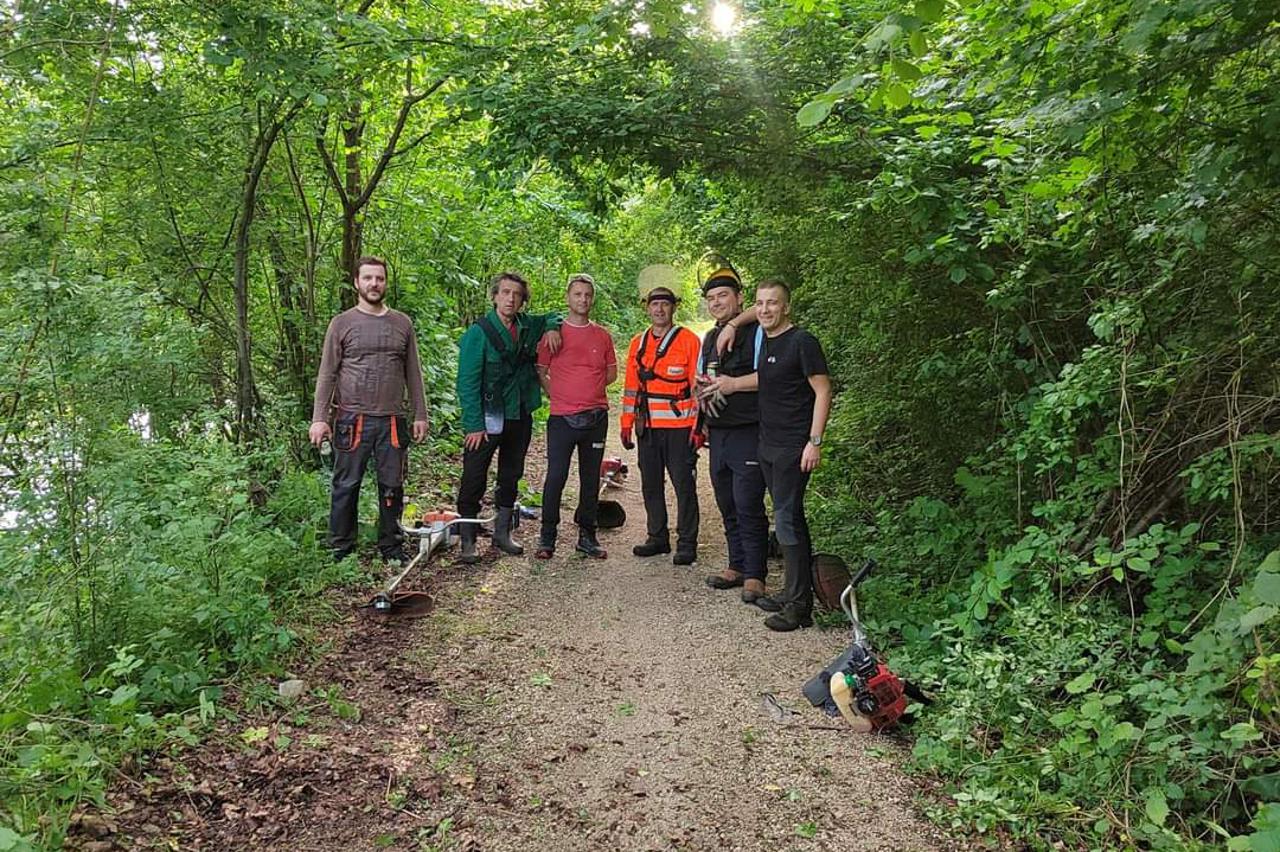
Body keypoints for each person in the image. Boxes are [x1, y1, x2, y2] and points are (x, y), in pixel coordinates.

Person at [310, 256, 429, 564]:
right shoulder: (342, 323)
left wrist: (420, 414)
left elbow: (413, 372)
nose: (374, 283)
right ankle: (341, 549)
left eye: (379, 278)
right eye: (368, 278)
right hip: (352, 418)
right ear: (356, 282)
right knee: (346, 484)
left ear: (385, 283)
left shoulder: (402, 323)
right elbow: (327, 373)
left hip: (391, 419)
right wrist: (320, 419)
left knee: (392, 485)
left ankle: (391, 546)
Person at [455, 272, 562, 563]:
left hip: (519, 413)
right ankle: (468, 539)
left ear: (523, 300)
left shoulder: (528, 325)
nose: (510, 299)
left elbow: (554, 316)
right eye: (505, 293)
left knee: (511, 473)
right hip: (486, 416)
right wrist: (473, 424)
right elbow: (467, 382)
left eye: (516, 294)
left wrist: (552, 328)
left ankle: (502, 533)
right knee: (474, 475)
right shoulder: (479, 333)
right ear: (495, 296)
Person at [694, 266, 776, 610]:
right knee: (726, 501)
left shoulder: (759, 332)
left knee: (747, 502)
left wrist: (732, 384)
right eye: (711, 298)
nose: (716, 303)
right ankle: (737, 564)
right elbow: (702, 379)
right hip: (719, 431)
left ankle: (756, 573)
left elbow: (771, 374)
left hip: (750, 429)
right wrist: (702, 399)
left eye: (723, 295)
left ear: (739, 298)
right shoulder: (709, 339)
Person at [753, 279, 831, 631]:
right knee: (790, 518)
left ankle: (799, 608)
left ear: (786, 307)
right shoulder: (767, 339)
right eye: (760, 303)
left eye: (772, 303)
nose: (765, 309)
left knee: (786, 520)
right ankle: (792, 592)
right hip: (768, 444)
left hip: (793, 447)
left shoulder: (802, 342)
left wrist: (814, 441)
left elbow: (823, 390)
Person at [534, 274, 617, 560]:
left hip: (596, 417)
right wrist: (558, 393)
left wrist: (588, 389)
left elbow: (611, 373)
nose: (583, 299)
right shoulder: (553, 334)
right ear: (568, 298)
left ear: (592, 299)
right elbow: (541, 370)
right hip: (562, 418)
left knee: (590, 478)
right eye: (578, 294)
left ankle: (587, 536)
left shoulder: (602, 335)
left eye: (587, 295)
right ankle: (547, 538)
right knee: (556, 476)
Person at [620, 286, 702, 565]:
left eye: (665, 304)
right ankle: (657, 537)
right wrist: (626, 423)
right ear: (647, 308)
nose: (659, 309)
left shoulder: (689, 341)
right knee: (650, 484)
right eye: (654, 305)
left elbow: (697, 387)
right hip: (648, 427)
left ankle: (687, 543)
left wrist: (698, 426)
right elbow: (631, 387)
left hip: (680, 427)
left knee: (684, 485)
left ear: (673, 308)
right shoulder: (637, 343)